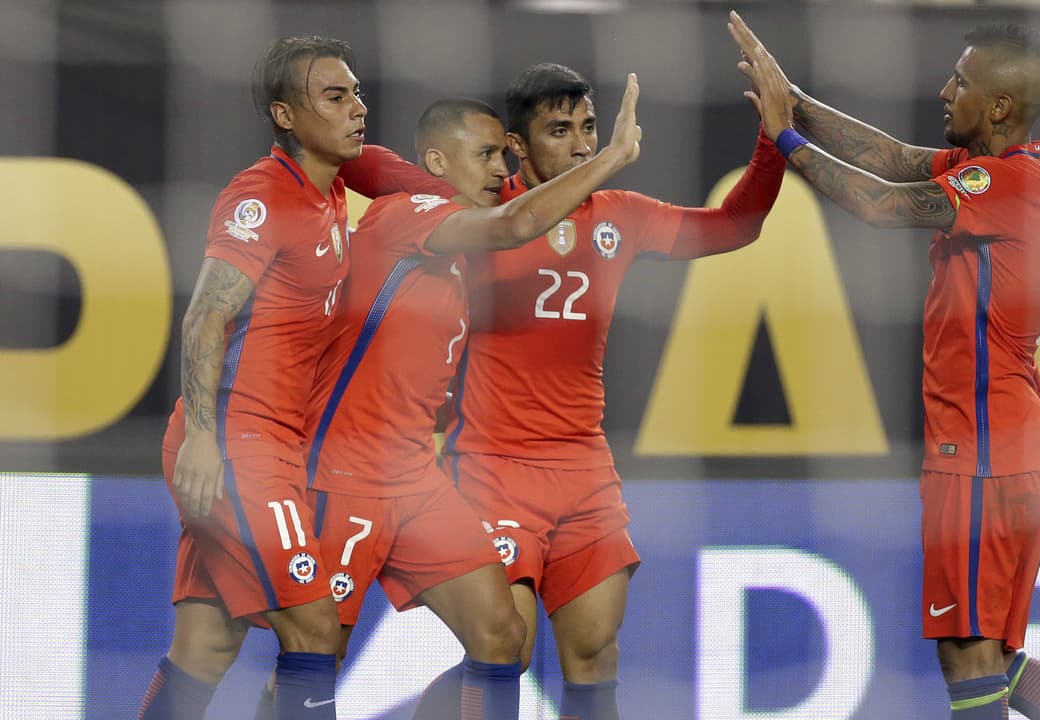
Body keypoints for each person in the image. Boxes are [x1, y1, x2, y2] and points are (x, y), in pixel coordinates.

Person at [332, 61, 786, 719]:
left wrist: (774, 139)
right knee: (505, 651)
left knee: (595, 655)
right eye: (560, 130)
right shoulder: (481, 212)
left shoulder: (621, 216)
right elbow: (373, 169)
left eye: (589, 127)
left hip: (583, 469)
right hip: (492, 467)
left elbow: (735, 225)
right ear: (517, 145)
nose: (582, 144)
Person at [728, 11, 1040, 720]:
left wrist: (785, 137)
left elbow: (883, 204)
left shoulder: (1009, 185)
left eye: (960, 82)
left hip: (984, 452)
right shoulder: (991, 173)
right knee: (993, 655)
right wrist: (793, 97)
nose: (944, 91)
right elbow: (893, 158)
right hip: (1006, 447)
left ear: (999, 106)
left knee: (968, 655)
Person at [301, 82, 643, 720]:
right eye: (486, 155)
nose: (500, 169)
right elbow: (514, 222)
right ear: (437, 162)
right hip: (345, 475)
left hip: (414, 479)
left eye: (502, 155)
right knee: (315, 655)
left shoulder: (460, 251)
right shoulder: (409, 215)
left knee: (502, 639)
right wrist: (612, 157)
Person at [137, 35, 367, 720]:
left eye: (356, 93)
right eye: (335, 96)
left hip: (269, 448)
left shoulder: (331, 193)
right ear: (286, 115)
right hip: (235, 448)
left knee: (206, 647)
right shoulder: (262, 195)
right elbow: (205, 316)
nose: (357, 108)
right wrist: (203, 438)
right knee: (316, 633)